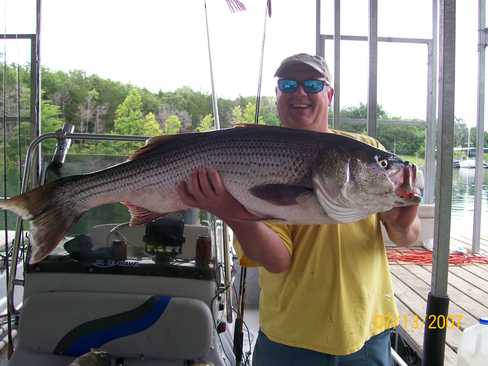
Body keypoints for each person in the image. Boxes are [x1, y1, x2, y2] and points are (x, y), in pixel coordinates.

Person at [176, 53, 420, 366]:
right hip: (292, 340)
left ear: (329, 94)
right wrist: (227, 209)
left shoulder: (363, 149)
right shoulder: (259, 154)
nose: (300, 93)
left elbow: (406, 236)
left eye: (312, 84)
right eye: (288, 84)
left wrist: (405, 219)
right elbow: (277, 260)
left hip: (368, 331)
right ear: (277, 95)